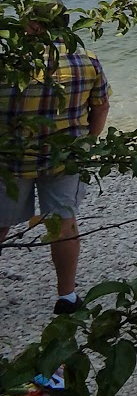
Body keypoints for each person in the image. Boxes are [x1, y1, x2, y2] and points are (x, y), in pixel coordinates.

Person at [1, 37, 113, 314]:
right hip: (66, 158)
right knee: (63, 224)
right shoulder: (86, 59)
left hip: (10, 159)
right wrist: (88, 143)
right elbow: (101, 107)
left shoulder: (8, 61)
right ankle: (67, 296)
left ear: (31, 27)